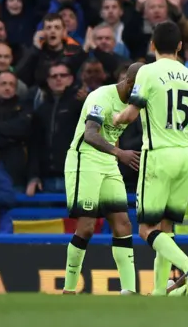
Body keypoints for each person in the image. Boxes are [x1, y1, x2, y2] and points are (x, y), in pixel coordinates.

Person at [112, 21, 188, 297]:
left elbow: (129, 114)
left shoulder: (148, 73)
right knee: (166, 227)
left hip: (158, 156)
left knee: (146, 229)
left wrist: (113, 119)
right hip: (185, 157)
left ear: (152, 45)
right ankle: (159, 291)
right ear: (180, 46)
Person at [63, 63, 144, 295]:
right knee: (87, 228)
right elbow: (90, 134)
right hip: (84, 161)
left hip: (108, 162)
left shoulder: (133, 101)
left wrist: (115, 157)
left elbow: (112, 133)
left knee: (123, 223)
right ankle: (68, 290)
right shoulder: (100, 97)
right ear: (129, 83)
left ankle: (129, 291)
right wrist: (120, 154)